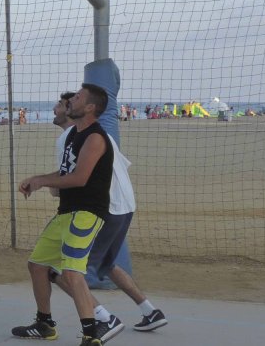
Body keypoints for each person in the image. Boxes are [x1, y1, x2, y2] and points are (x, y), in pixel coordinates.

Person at [48, 93, 168, 337]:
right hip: (125, 205)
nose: (55, 108)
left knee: (61, 271)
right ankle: (150, 311)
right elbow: (122, 166)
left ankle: (104, 318)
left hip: (105, 208)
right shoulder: (102, 135)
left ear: (73, 111)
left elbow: (64, 186)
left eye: (61, 104)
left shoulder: (70, 138)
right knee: (105, 263)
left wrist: (47, 183)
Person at [14, 83, 114, 346]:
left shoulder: (95, 137)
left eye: (78, 97)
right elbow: (64, 172)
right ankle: (44, 323)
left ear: (90, 107)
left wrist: (44, 182)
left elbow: (80, 178)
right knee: (37, 265)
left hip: (87, 213)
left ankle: (92, 334)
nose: (72, 100)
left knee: (72, 272)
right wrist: (38, 179)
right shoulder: (73, 136)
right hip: (66, 212)